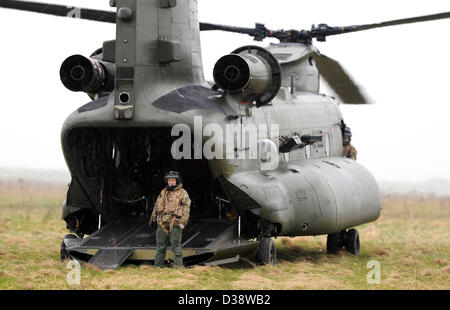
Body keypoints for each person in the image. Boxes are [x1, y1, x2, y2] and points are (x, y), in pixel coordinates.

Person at [149, 170, 191, 268]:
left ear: (177, 181)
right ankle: (157, 266)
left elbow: (186, 207)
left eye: (172, 180)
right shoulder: (163, 192)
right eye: (169, 180)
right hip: (162, 222)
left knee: (176, 246)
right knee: (160, 246)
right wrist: (153, 217)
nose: (170, 182)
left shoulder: (182, 193)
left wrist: (184, 221)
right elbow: (157, 204)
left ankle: (178, 267)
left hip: (175, 222)